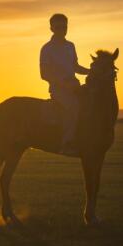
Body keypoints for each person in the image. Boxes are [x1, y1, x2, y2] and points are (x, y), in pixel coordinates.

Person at [40, 13, 90, 155]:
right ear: (51, 28)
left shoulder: (70, 46)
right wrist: (64, 84)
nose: (62, 29)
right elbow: (44, 74)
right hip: (58, 90)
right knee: (73, 106)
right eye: (58, 27)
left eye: (64, 26)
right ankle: (67, 143)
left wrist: (91, 71)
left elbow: (75, 67)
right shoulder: (47, 48)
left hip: (74, 86)